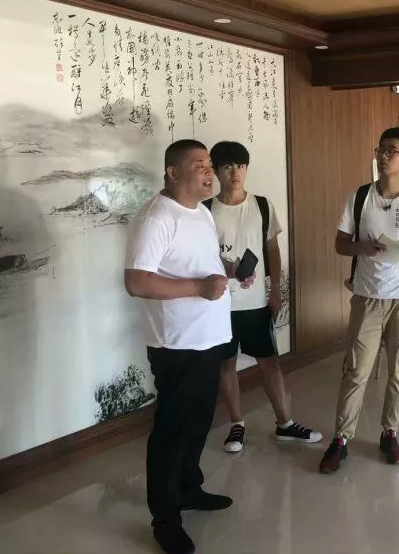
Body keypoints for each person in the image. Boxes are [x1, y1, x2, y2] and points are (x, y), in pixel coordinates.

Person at [124, 140, 254, 554]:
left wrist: (229, 270)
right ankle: (165, 518)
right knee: (173, 429)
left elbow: (199, 262)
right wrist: (199, 287)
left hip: (208, 337)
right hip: (176, 343)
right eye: (199, 164)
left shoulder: (201, 212)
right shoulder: (156, 216)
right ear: (173, 172)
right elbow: (137, 281)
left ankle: (187, 488)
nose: (209, 172)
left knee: (198, 421)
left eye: (210, 164)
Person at [319, 127, 399, 474]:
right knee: (356, 369)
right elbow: (340, 244)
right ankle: (341, 439)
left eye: (392, 151)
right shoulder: (359, 198)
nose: (384, 156)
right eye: (381, 150)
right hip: (367, 295)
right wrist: (362, 247)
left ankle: (390, 434)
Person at [206, 141, 322, 452]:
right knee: (226, 365)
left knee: (269, 362)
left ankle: (285, 423)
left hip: (255, 302)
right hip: (219, 303)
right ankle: (236, 424)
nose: (235, 172)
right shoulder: (205, 211)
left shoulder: (262, 205)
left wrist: (275, 293)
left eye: (240, 166)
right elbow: (201, 256)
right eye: (227, 166)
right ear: (216, 171)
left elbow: (272, 251)